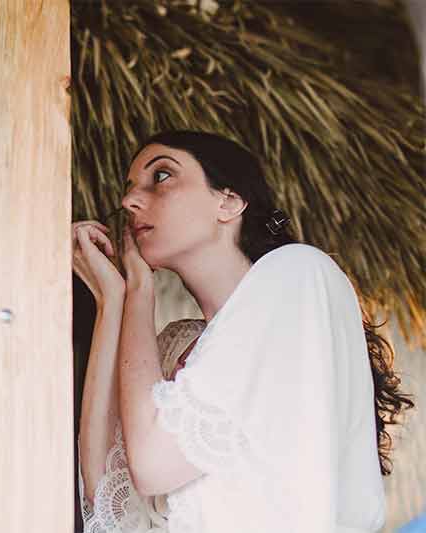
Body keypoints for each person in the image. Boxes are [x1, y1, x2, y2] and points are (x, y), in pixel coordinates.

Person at [72, 130, 413, 533]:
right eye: (129, 190)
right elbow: (108, 499)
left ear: (228, 202)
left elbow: (151, 466)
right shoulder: (178, 345)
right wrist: (113, 301)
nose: (129, 201)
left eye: (161, 176)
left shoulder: (298, 274)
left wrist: (141, 294)